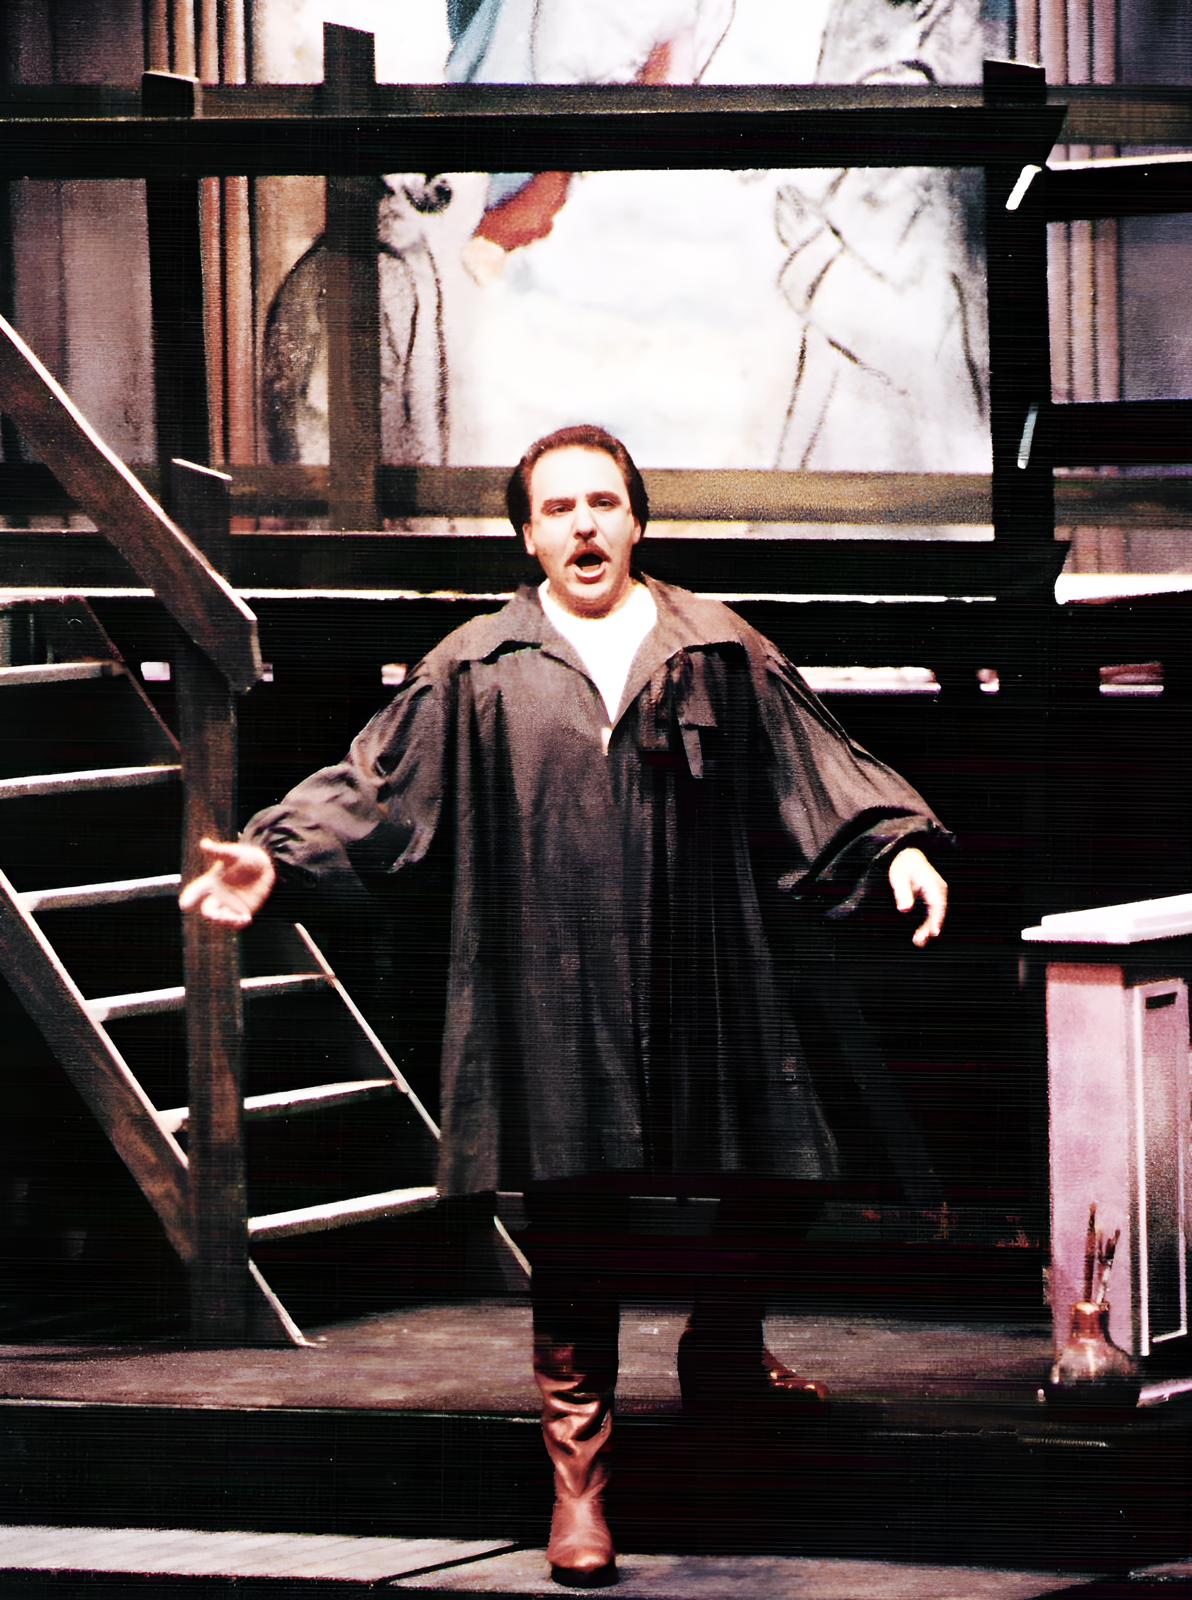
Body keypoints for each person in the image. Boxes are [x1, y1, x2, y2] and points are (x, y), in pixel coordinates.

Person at [181, 423, 949, 1589]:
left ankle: (722, 1344)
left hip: (704, 959)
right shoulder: (477, 664)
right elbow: (377, 789)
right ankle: (579, 1483)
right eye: (558, 508)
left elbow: (814, 762)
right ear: (528, 536)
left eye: (602, 502)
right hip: (552, 966)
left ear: (635, 520)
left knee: (777, 1161)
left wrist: (896, 845)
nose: (583, 524)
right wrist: (274, 856)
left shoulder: (714, 644)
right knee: (575, 1215)